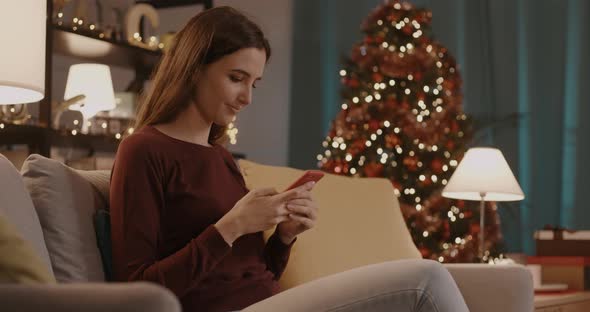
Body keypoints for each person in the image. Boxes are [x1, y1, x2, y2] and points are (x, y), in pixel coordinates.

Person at [109, 6, 470, 312]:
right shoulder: (144, 151)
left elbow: (253, 270)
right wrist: (231, 226)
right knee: (426, 279)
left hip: (271, 302)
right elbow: (138, 290)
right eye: (236, 78)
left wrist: (283, 236)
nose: (247, 97)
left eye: (255, 83)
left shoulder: (221, 159)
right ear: (193, 68)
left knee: (425, 278)